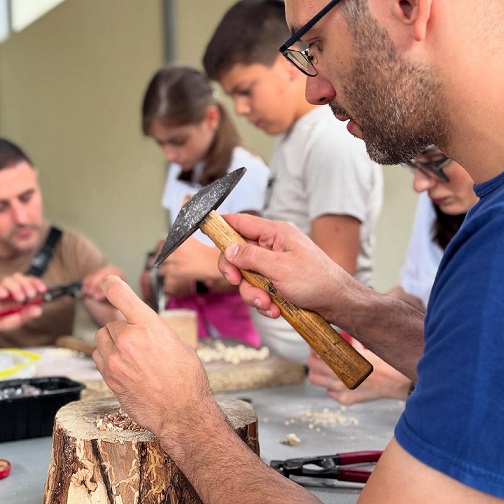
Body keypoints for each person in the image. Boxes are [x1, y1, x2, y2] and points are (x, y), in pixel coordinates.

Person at [93, 1, 504, 503]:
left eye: (315, 44)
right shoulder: (486, 225)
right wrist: (347, 300)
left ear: (407, 6)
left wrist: (183, 416)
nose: (314, 90)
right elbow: (478, 371)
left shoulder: (494, 255)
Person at [202, 0, 383, 362]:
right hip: (292, 362)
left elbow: (334, 275)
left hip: (327, 365)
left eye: (245, 90)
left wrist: (208, 265)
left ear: (288, 66)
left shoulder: (329, 140)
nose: (239, 109)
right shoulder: (293, 139)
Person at [309, 146, 479, 404]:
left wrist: (409, 380)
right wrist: (363, 325)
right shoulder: (436, 204)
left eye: (435, 163)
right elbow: (418, 291)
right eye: (414, 166)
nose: (419, 185)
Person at [139, 65, 269, 346]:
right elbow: (180, 240)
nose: (169, 154)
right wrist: (159, 269)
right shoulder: (179, 170)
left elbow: (257, 265)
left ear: (211, 118)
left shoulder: (247, 172)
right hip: (188, 323)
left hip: (235, 327)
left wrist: (196, 281)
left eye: (177, 141)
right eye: (161, 144)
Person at [0, 138, 125, 347]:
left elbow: (120, 332)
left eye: (27, 197)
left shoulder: (69, 247)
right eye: (1, 207)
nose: (21, 218)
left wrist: (114, 296)